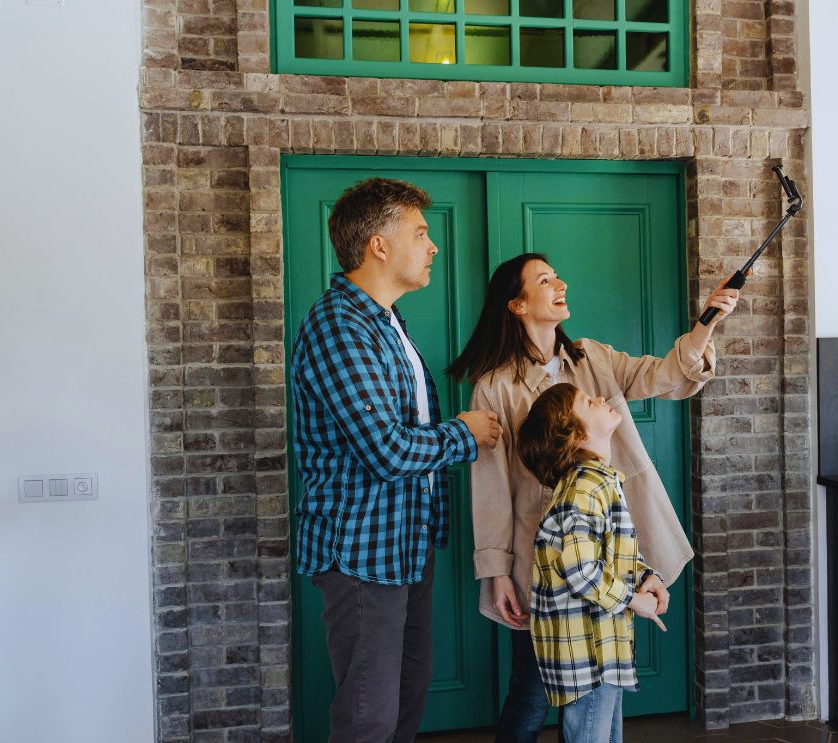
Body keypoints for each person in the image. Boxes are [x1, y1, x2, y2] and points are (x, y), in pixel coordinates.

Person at [446, 253, 739, 741]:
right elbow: (490, 485)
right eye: (545, 280)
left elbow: (668, 375)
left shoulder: (592, 358)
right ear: (517, 304)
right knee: (533, 688)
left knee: (601, 681)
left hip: (609, 554)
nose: (560, 283)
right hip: (538, 562)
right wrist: (496, 570)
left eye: (556, 275)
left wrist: (706, 322)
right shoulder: (494, 387)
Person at [289, 177, 502, 743]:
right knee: (369, 717)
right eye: (421, 233)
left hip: (405, 543)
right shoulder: (339, 326)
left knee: (405, 699)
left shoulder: (386, 322)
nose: (433, 246)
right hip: (362, 551)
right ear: (379, 245)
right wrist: (464, 434)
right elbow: (386, 450)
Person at [517, 383, 670, 743]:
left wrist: (647, 577)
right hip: (588, 656)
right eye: (588, 401)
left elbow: (611, 554)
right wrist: (634, 601)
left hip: (604, 648)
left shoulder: (598, 483)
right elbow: (581, 571)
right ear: (578, 435)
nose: (600, 399)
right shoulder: (583, 490)